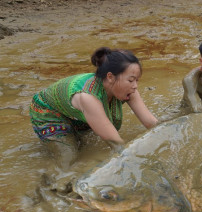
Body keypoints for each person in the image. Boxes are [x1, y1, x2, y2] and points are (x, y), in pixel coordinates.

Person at [29, 47, 158, 168]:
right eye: (131, 80)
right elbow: (116, 143)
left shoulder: (128, 90)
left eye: (137, 80)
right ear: (110, 77)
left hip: (75, 111)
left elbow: (151, 123)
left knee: (84, 145)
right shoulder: (88, 97)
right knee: (68, 158)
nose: (135, 86)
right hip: (48, 110)